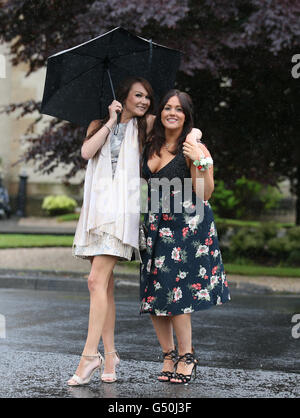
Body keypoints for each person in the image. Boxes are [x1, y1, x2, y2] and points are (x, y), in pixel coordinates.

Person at [68, 78, 202, 386]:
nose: (144, 101)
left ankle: (90, 356)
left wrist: (195, 134)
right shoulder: (98, 124)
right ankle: (111, 356)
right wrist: (111, 121)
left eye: (147, 97)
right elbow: (87, 153)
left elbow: (179, 120)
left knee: (94, 281)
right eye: (138, 96)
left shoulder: (146, 125)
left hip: (122, 212)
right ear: (124, 96)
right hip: (95, 212)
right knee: (105, 287)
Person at [140, 89, 230, 384]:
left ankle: (187, 356)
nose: (172, 113)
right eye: (167, 107)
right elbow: (140, 114)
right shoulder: (151, 140)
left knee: (177, 293)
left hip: (185, 226)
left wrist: (197, 156)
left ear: (186, 116)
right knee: (154, 294)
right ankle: (168, 355)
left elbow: (206, 192)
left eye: (179, 109)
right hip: (154, 223)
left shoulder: (194, 147)